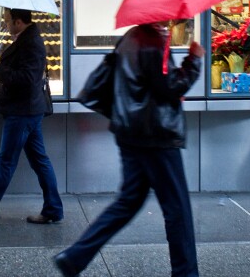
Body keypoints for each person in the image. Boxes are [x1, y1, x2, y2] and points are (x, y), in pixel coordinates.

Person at [54, 22, 203, 277]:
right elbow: (170, 87)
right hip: (155, 136)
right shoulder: (154, 42)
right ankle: (186, 273)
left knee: (128, 202)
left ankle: (75, 256)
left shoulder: (132, 37)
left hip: (130, 132)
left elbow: (149, 84)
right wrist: (194, 60)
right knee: (177, 209)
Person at [0, 8, 63, 224]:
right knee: (39, 160)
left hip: (22, 112)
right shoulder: (24, 39)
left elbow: (27, 78)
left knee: (5, 162)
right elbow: (14, 69)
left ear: (18, 22)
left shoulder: (32, 43)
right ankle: (53, 209)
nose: (5, 24)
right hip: (27, 110)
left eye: (7, 21)